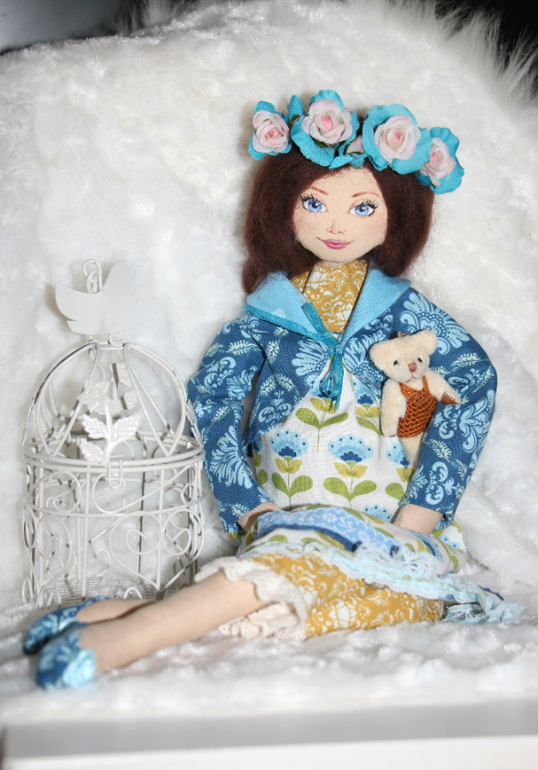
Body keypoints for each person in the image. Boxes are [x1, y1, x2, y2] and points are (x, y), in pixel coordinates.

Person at [24, 90, 510, 691]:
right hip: (285, 513)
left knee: (374, 597)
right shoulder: (269, 311)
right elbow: (213, 397)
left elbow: (474, 382)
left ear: (396, 215)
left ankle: (122, 621)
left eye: (363, 207)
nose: (336, 225)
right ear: (283, 208)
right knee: (302, 567)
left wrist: (427, 506)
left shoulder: (405, 312)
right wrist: (246, 502)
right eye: (315, 202)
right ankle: (122, 636)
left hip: (392, 523)